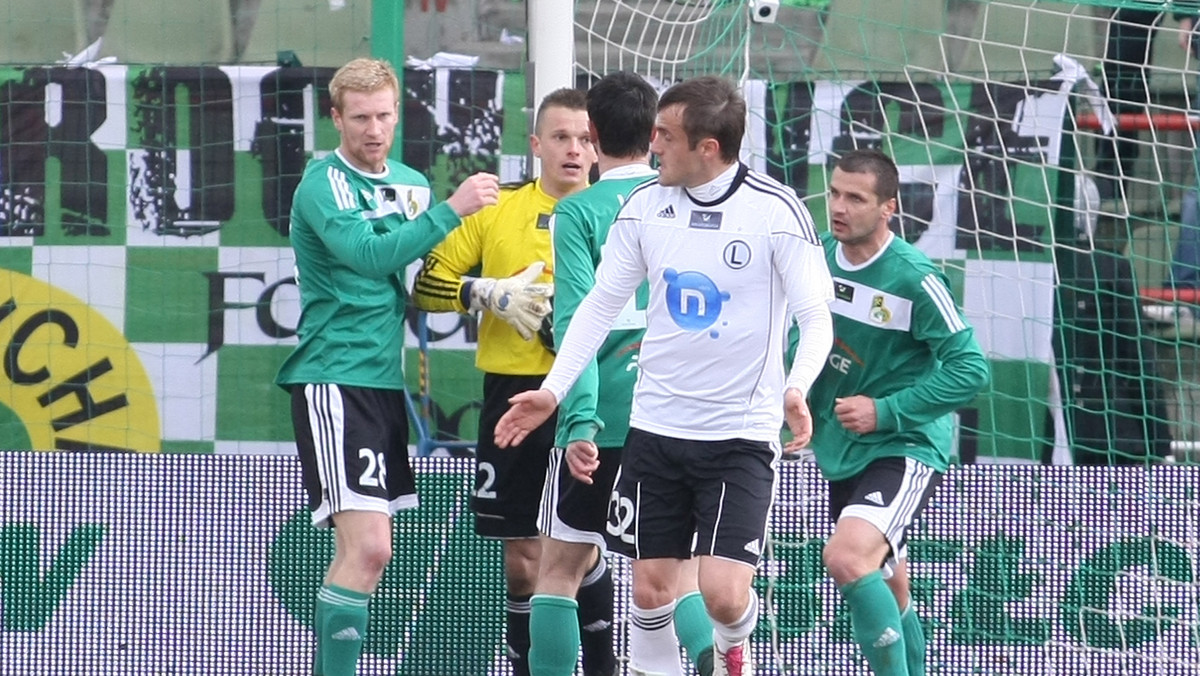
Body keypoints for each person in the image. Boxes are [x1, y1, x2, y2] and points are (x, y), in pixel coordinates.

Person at [494, 75, 836, 676]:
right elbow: (598, 305)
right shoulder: (646, 206)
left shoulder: (776, 212)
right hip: (656, 428)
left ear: (708, 147)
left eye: (667, 137)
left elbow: (815, 319)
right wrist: (553, 391)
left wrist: (796, 386)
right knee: (651, 588)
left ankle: (733, 643)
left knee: (723, 594)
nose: (652, 146)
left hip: (738, 434)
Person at [274, 58, 500, 676]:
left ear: (398, 112)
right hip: (332, 378)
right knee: (370, 547)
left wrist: (486, 293)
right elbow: (370, 256)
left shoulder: (410, 181)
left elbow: (421, 283)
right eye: (360, 118)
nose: (374, 129)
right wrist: (452, 209)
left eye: (383, 115)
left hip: (381, 383)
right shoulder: (323, 183)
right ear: (335, 117)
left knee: (370, 551)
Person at [410, 88, 612, 676]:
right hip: (511, 393)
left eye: (584, 139)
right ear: (536, 145)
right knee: (523, 558)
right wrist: (484, 293)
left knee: (580, 547)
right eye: (560, 137)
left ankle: (603, 663)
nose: (573, 150)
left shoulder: (620, 212)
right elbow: (427, 287)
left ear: (598, 146)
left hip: (590, 393)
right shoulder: (499, 209)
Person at [530, 71, 714, 676]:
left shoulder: (578, 212)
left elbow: (580, 319)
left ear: (593, 133)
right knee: (675, 573)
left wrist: (577, 419)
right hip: (676, 412)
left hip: (604, 412)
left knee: (557, 570)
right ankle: (718, 658)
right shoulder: (689, 203)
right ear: (655, 134)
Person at [808, 149, 989, 676]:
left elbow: (970, 369)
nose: (839, 207)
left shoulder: (913, 277)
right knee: (889, 581)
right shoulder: (814, 259)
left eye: (855, 198)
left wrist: (885, 412)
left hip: (904, 444)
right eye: (834, 193)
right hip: (839, 449)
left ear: (888, 208)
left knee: (847, 557)